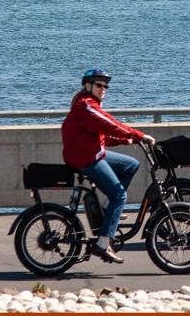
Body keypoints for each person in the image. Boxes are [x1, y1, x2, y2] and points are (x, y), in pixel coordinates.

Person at [61, 68, 155, 265]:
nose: (103, 88)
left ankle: (106, 206)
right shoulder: (86, 106)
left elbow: (100, 135)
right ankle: (103, 244)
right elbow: (111, 124)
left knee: (131, 165)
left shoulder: (87, 105)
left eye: (105, 86)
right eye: (99, 85)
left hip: (89, 152)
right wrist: (138, 135)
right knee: (119, 195)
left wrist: (125, 140)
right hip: (86, 159)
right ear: (88, 86)